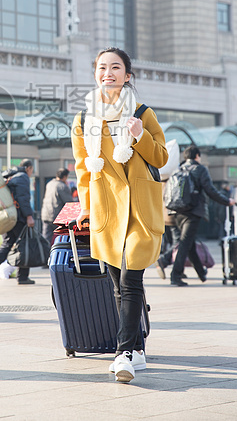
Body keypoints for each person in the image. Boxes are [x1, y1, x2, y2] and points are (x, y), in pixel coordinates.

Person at [72, 47, 168, 383]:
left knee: (131, 280)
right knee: (118, 284)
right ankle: (138, 346)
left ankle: (123, 352)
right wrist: (85, 206)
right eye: (102, 67)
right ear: (95, 73)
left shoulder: (143, 112)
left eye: (116, 67)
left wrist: (139, 135)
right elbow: (83, 169)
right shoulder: (84, 119)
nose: (107, 73)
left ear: (127, 75)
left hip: (140, 209)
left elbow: (160, 157)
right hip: (106, 209)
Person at [169, 145, 235, 287]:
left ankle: (201, 273)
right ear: (197, 156)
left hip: (177, 212)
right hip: (192, 212)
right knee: (185, 243)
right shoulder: (200, 169)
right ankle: (175, 275)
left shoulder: (178, 169)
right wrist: (227, 201)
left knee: (189, 243)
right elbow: (210, 190)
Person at [0, 158, 36, 285]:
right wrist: (29, 215)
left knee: (8, 244)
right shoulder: (23, 177)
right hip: (18, 218)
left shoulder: (9, 176)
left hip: (7, 215)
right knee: (24, 245)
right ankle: (23, 277)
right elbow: (23, 198)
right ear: (28, 168)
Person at [41, 168, 73, 245]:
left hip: (45, 215)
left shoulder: (49, 184)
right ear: (65, 177)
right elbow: (69, 203)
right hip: (56, 216)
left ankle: (45, 256)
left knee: (46, 239)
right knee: (59, 240)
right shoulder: (62, 186)